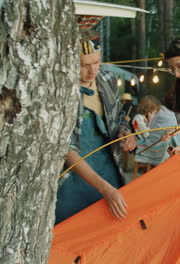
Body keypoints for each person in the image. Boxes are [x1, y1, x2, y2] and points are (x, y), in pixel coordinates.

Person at [55, 29, 136, 224]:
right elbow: (65, 150)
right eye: (84, 66)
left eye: (96, 63)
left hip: (108, 169)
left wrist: (126, 132)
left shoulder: (107, 79)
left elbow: (119, 118)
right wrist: (104, 189)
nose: (92, 71)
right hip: (71, 179)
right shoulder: (60, 90)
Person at [133, 96, 180, 168]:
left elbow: (151, 133)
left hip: (171, 145)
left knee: (143, 146)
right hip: (179, 142)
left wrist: (150, 119)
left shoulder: (160, 114)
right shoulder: (164, 111)